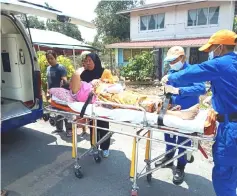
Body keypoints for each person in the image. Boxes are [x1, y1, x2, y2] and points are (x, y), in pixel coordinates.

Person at [161, 29, 237, 196]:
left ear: (221, 47)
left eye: (212, 50)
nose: (211, 54)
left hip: (232, 129)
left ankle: (181, 165)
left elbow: (194, 74)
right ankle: (169, 158)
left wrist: (172, 80)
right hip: (224, 117)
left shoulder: (220, 64)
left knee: (225, 175)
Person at [155, 46, 206, 185]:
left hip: (188, 110)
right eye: (169, 61)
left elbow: (201, 88)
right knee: (169, 134)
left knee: (183, 140)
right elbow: (169, 89)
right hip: (173, 109)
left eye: (174, 60)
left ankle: (180, 166)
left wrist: (179, 90)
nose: (171, 64)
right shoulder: (171, 71)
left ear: (183, 58)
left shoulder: (192, 71)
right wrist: (166, 90)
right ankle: (168, 157)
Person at [80, 53, 111, 158]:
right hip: (90, 105)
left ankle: (105, 148)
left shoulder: (104, 72)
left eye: (90, 61)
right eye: (86, 61)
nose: (87, 63)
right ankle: (94, 147)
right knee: (93, 127)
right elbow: (80, 88)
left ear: (95, 61)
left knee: (103, 126)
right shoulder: (84, 74)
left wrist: (104, 83)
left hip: (102, 104)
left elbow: (112, 85)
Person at [46, 50, 72, 137]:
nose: (50, 60)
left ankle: (69, 130)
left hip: (61, 94)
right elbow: (48, 81)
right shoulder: (48, 68)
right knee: (56, 111)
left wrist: (65, 85)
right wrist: (47, 91)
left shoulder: (60, 68)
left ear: (55, 58)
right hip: (52, 94)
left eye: (51, 58)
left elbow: (64, 80)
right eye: (48, 59)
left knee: (65, 112)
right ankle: (59, 128)